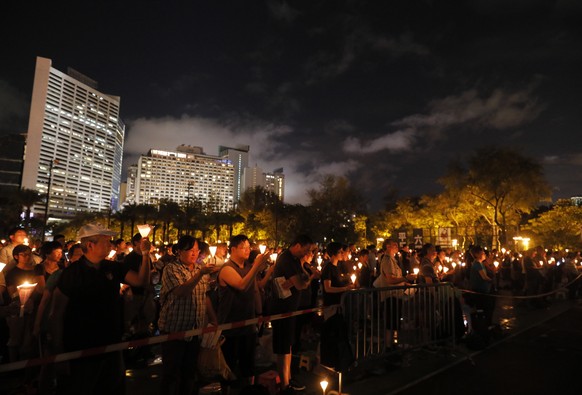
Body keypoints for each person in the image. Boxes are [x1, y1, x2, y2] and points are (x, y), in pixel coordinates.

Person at [51, 223, 151, 395]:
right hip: (82, 346)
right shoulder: (72, 273)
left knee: (113, 387)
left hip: (111, 342)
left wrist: (146, 254)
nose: (110, 246)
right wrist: (59, 350)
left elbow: (141, 281)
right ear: (90, 245)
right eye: (105, 241)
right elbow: (57, 313)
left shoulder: (111, 267)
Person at [157, 235, 215, 395]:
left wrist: (213, 320)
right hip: (173, 330)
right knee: (171, 374)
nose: (194, 253)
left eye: (197, 250)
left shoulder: (200, 267)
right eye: (190, 250)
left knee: (189, 373)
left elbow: (205, 295)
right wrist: (200, 274)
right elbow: (181, 291)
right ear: (179, 251)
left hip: (194, 330)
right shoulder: (171, 269)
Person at [217, 235, 268, 391]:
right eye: (243, 247)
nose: (248, 250)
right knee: (229, 368)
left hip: (248, 325)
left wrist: (259, 314)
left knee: (248, 366)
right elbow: (241, 285)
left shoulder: (247, 268)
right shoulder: (227, 268)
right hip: (230, 328)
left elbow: (254, 291)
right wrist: (256, 266)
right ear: (233, 249)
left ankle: (249, 391)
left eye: (248, 247)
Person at [270, 235, 317, 394]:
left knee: (288, 346)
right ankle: (284, 385)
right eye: (306, 249)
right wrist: (301, 282)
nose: (307, 252)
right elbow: (300, 283)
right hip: (281, 310)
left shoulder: (295, 260)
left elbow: (300, 281)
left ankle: (288, 379)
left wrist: (301, 281)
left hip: (290, 309)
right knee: (283, 348)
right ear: (297, 245)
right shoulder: (286, 259)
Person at [321, 242, 354, 307]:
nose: (342, 253)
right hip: (332, 305)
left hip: (339, 303)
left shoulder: (338, 266)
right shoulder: (328, 268)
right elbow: (328, 288)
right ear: (333, 254)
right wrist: (345, 288)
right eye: (340, 252)